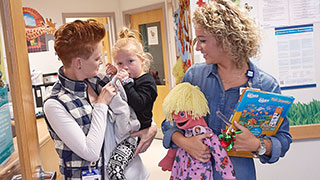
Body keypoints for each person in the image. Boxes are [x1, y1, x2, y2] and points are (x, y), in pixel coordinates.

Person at [162, 1, 292, 180]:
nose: (198, 48)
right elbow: (169, 123)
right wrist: (185, 143)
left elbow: (283, 139)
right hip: (193, 173)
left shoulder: (265, 86)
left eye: (202, 40)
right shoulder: (194, 77)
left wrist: (257, 144)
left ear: (226, 40)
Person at [43, 20, 156, 179]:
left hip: (134, 173)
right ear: (79, 63)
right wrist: (101, 105)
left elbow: (138, 108)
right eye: (97, 58)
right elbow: (91, 152)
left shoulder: (102, 80)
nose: (102, 61)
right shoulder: (56, 104)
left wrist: (152, 128)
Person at [106, 27, 158, 179]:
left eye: (130, 61)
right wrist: (114, 74)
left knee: (115, 167)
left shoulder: (147, 80)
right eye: (120, 63)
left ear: (142, 60)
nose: (125, 67)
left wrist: (127, 82)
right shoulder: (127, 79)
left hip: (136, 135)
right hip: (124, 130)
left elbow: (139, 103)